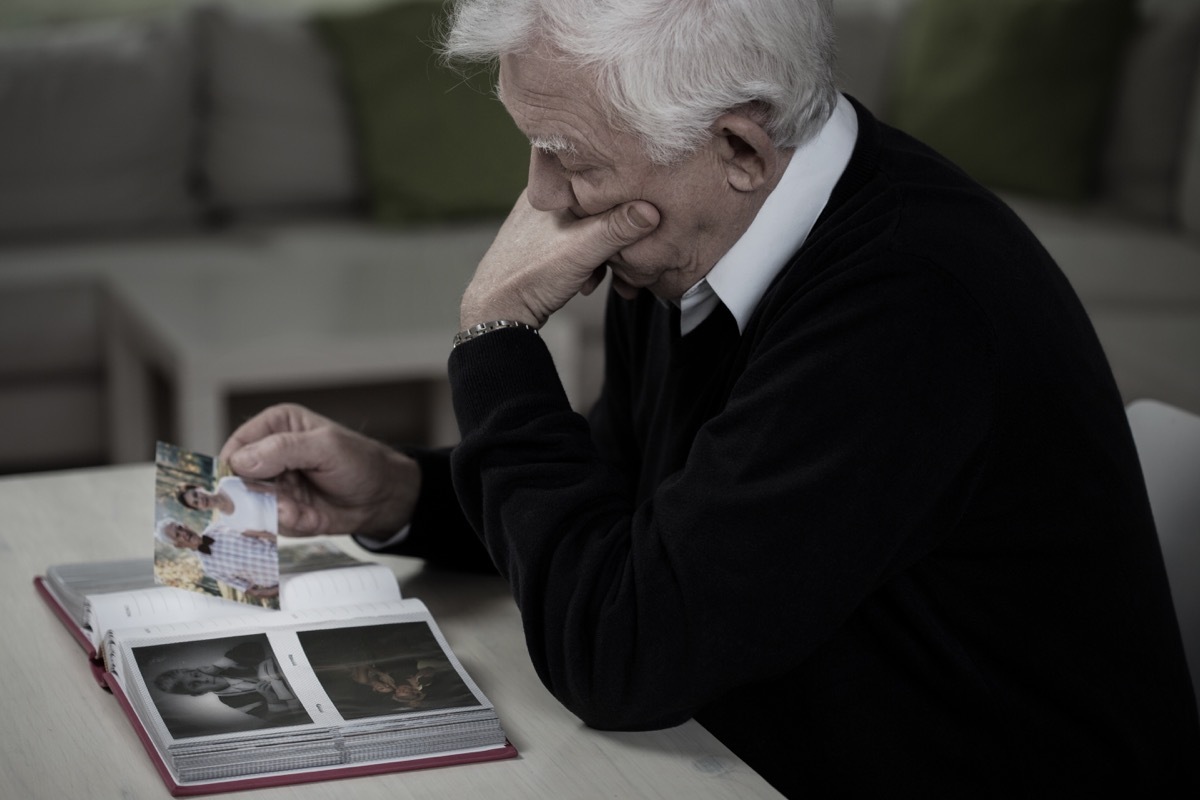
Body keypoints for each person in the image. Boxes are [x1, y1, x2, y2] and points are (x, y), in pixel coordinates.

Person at [218, 0, 1200, 795]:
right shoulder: (693, 227)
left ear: (739, 145)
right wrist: (403, 494)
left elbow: (623, 655)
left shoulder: (910, 305)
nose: (545, 198)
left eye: (569, 153)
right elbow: (628, 502)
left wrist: (494, 339)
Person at [154, 641, 305, 725]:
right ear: (199, 693)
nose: (202, 679)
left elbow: (254, 644)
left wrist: (217, 666)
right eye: (195, 684)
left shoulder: (227, 667)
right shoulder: (232, 700)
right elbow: (276, 719)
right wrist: (270, 698)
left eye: (195, 674)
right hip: (302, 691)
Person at [156, 517, 280, 599]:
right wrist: (283, 586)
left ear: (186, 525)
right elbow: (254, 592)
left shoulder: (219, 526)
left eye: (180, 528)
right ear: (179, 545)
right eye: (178, 535)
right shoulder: (210, 568)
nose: (184, 533)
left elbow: (263, 530)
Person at [176, 475, 277, 534]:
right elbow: (267, 535)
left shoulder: (228, 484)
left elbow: (270, 488)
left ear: (200, 488)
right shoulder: (229, 523)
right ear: (200, 509)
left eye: (195, 494)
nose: (200, 499)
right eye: (196, 503)